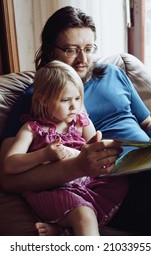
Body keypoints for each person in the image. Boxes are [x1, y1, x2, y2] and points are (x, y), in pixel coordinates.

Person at [1, 6, 151, 235]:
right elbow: (7, 179)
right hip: (112, 184)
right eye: (71, 50)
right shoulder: (41, 98)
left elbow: (147, 127)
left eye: (89, 48)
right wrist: (76, 165)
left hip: (149, 167)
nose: (83, 59)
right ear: (51, 51)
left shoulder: (115, 73)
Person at [2, 60, 128, 236]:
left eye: (77, 98)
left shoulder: (81, 121)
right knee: (85, 216)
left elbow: (92, 148)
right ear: (43, 100)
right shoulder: (32, 129)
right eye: (65, 100)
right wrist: (44, 154)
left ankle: (62, 230)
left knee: (121, 183)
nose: (74, 106)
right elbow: (10, 164)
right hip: (54, 189)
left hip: (85, 184)